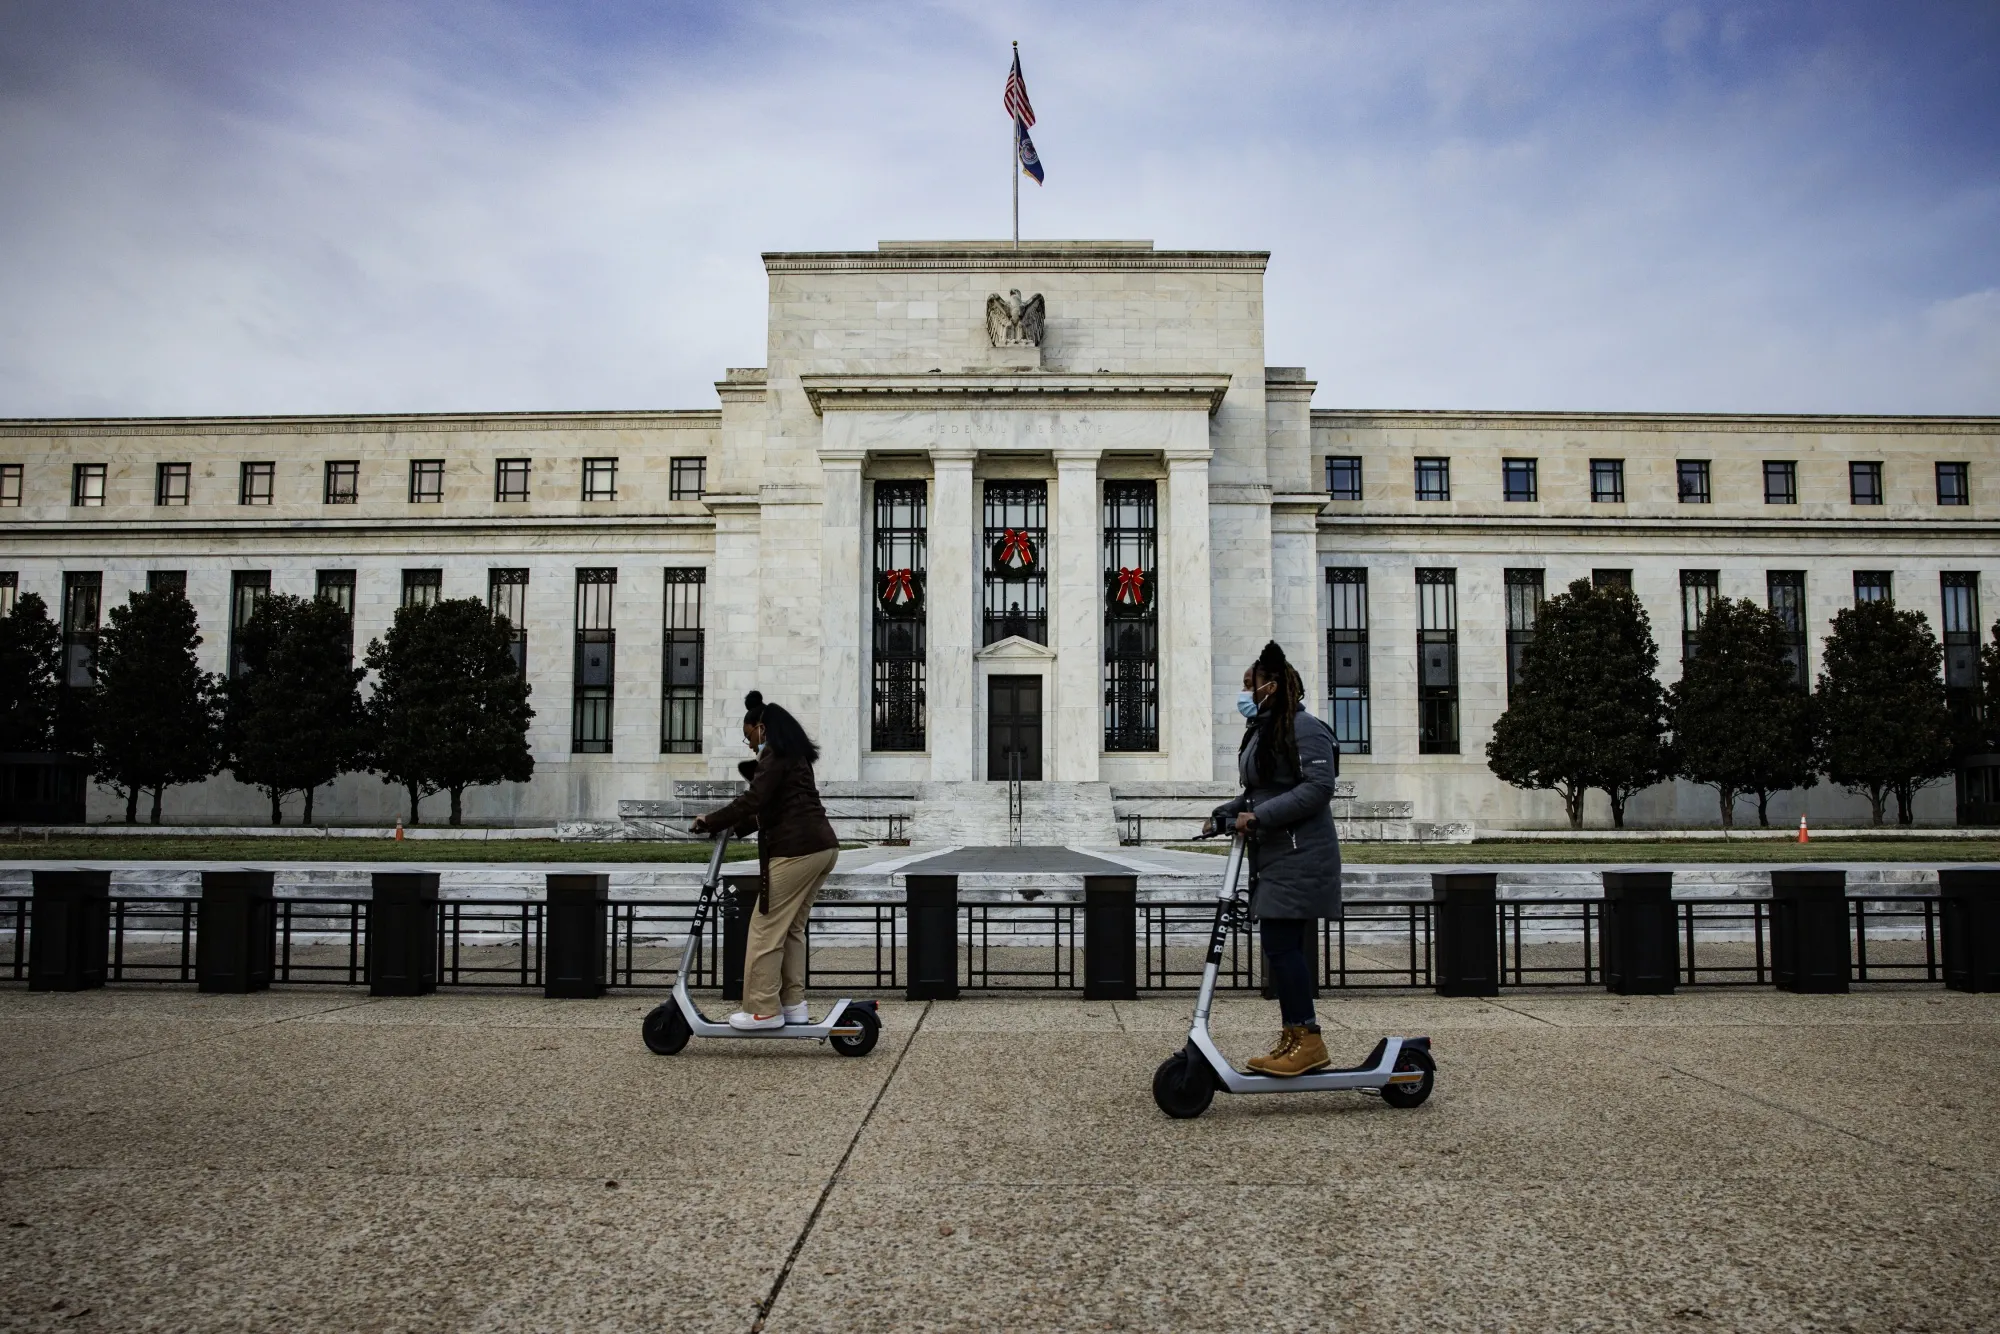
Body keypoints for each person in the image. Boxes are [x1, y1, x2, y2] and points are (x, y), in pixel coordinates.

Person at [1205, 641, 1343, 1076]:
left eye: (1250, 684)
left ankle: (1307, 1039)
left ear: (1273, 685)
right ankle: (1295, 1036)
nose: (1244, 693)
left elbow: (1319, 787)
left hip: (1301, 854)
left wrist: (1258, 816)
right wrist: (1225, 813)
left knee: (1283, 946)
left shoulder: (1305, 728)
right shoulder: (1264, 730)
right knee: (1278, 947)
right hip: (1276, 853)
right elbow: (1259, 790)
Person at [690, 691, 841, 1030]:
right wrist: (734, 826)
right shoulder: (794, 755)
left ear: (761, 727)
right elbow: (770, 809)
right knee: (791, 929)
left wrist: (711, 820)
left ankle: (762, 1009)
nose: (749, 745)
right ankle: (792, 1004)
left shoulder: (774, 752)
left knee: (765, 927)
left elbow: (755, 798)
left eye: (748, 737)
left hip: (796, 850)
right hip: (821, 847)